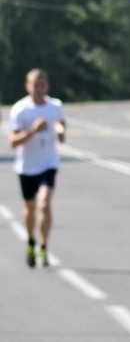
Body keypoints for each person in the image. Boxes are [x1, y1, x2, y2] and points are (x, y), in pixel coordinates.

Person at [8, 68, 67, 268]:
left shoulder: (55, 106)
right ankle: (31, 241)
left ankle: (44, 245)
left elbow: (61, 127)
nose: (39, 89)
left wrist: (60, 131)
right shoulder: (20, 110)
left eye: (42, 85)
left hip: (48, 164)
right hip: (26, 167)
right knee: (30, 207)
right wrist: (33, 130)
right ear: (28, 87)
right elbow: (13, 142)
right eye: (35, 86)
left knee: (44, 204)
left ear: (47, 86)